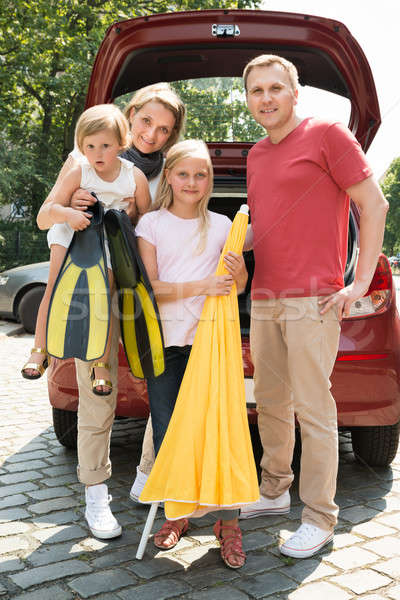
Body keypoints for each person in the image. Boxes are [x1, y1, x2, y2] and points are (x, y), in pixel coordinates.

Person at [239, 55, 388, 558]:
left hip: (313, 300)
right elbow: (264, 229)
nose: (266, 98)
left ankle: (320, 516)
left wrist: (359, 282)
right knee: (271, 404)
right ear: (248, 98)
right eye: (256, 90)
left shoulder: (327, 134)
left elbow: (375, 203)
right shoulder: (256, 155)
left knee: (314, 408)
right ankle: (274, 490)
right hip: (264, 298)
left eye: (275, 88)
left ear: (295, 93)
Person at [29, 84, 185, 540]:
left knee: (164, 385)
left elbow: (156, 227)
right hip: (89, 288)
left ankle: (147, 476)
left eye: (164, 129)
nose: (152, 134)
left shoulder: (169, 173)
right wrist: (73, 206)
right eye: (145, 122)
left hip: (141, 290)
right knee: (97, 396)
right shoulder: (87, 159)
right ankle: (96, 494)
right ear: (128, 115)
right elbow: (52, 213)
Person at [136, 139, 248, 569]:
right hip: (165, 345)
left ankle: (228, 523)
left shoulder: (222, 225)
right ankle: (178, 514)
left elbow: (235, 288)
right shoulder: (151, 225)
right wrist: (203, 285)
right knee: (170, 434)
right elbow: (151, 289)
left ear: (209, 181)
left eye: (201, 175)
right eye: (184, 173)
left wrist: (237, 277)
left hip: (211, 342)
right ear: (169, 176)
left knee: (223, 431)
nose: (192, 182)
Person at [23, 103, 150, 398]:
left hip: (106, 238)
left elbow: (147, 218)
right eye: (89, 146)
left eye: (105, 145)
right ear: (81, 147)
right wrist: (68, 214)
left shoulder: (134, 177)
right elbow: (46, 213)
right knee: (54, 287)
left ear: (122, 143)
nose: (97, 153)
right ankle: (40, 349)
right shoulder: (78, 172)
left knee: (103, 299)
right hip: (71, 233)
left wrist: (129, 217)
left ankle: (100, 364)